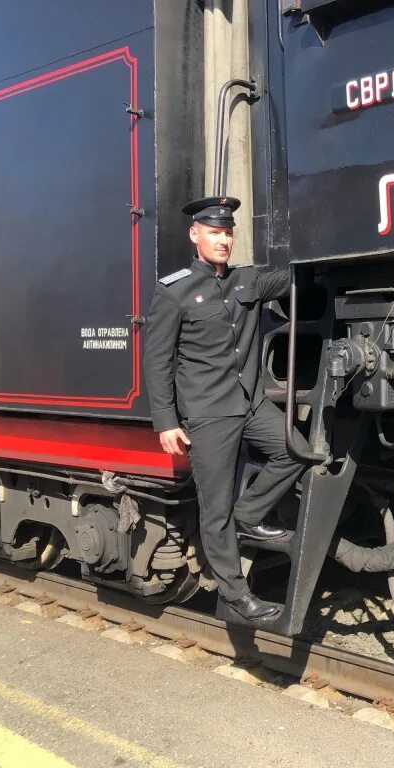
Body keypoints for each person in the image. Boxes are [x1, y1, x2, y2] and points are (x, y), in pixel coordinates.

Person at [143, 196, 302, 625]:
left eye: (228, 232)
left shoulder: (247, 281)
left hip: (249, 406)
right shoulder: (174, 292)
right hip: (208, 414)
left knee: (296, 452)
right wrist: (166, 422)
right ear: (195, 235)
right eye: (215, 232)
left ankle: (248, 516)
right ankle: (236, 596)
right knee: (214, 510)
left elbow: (294, 275)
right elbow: (156, 361)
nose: (224, 240)